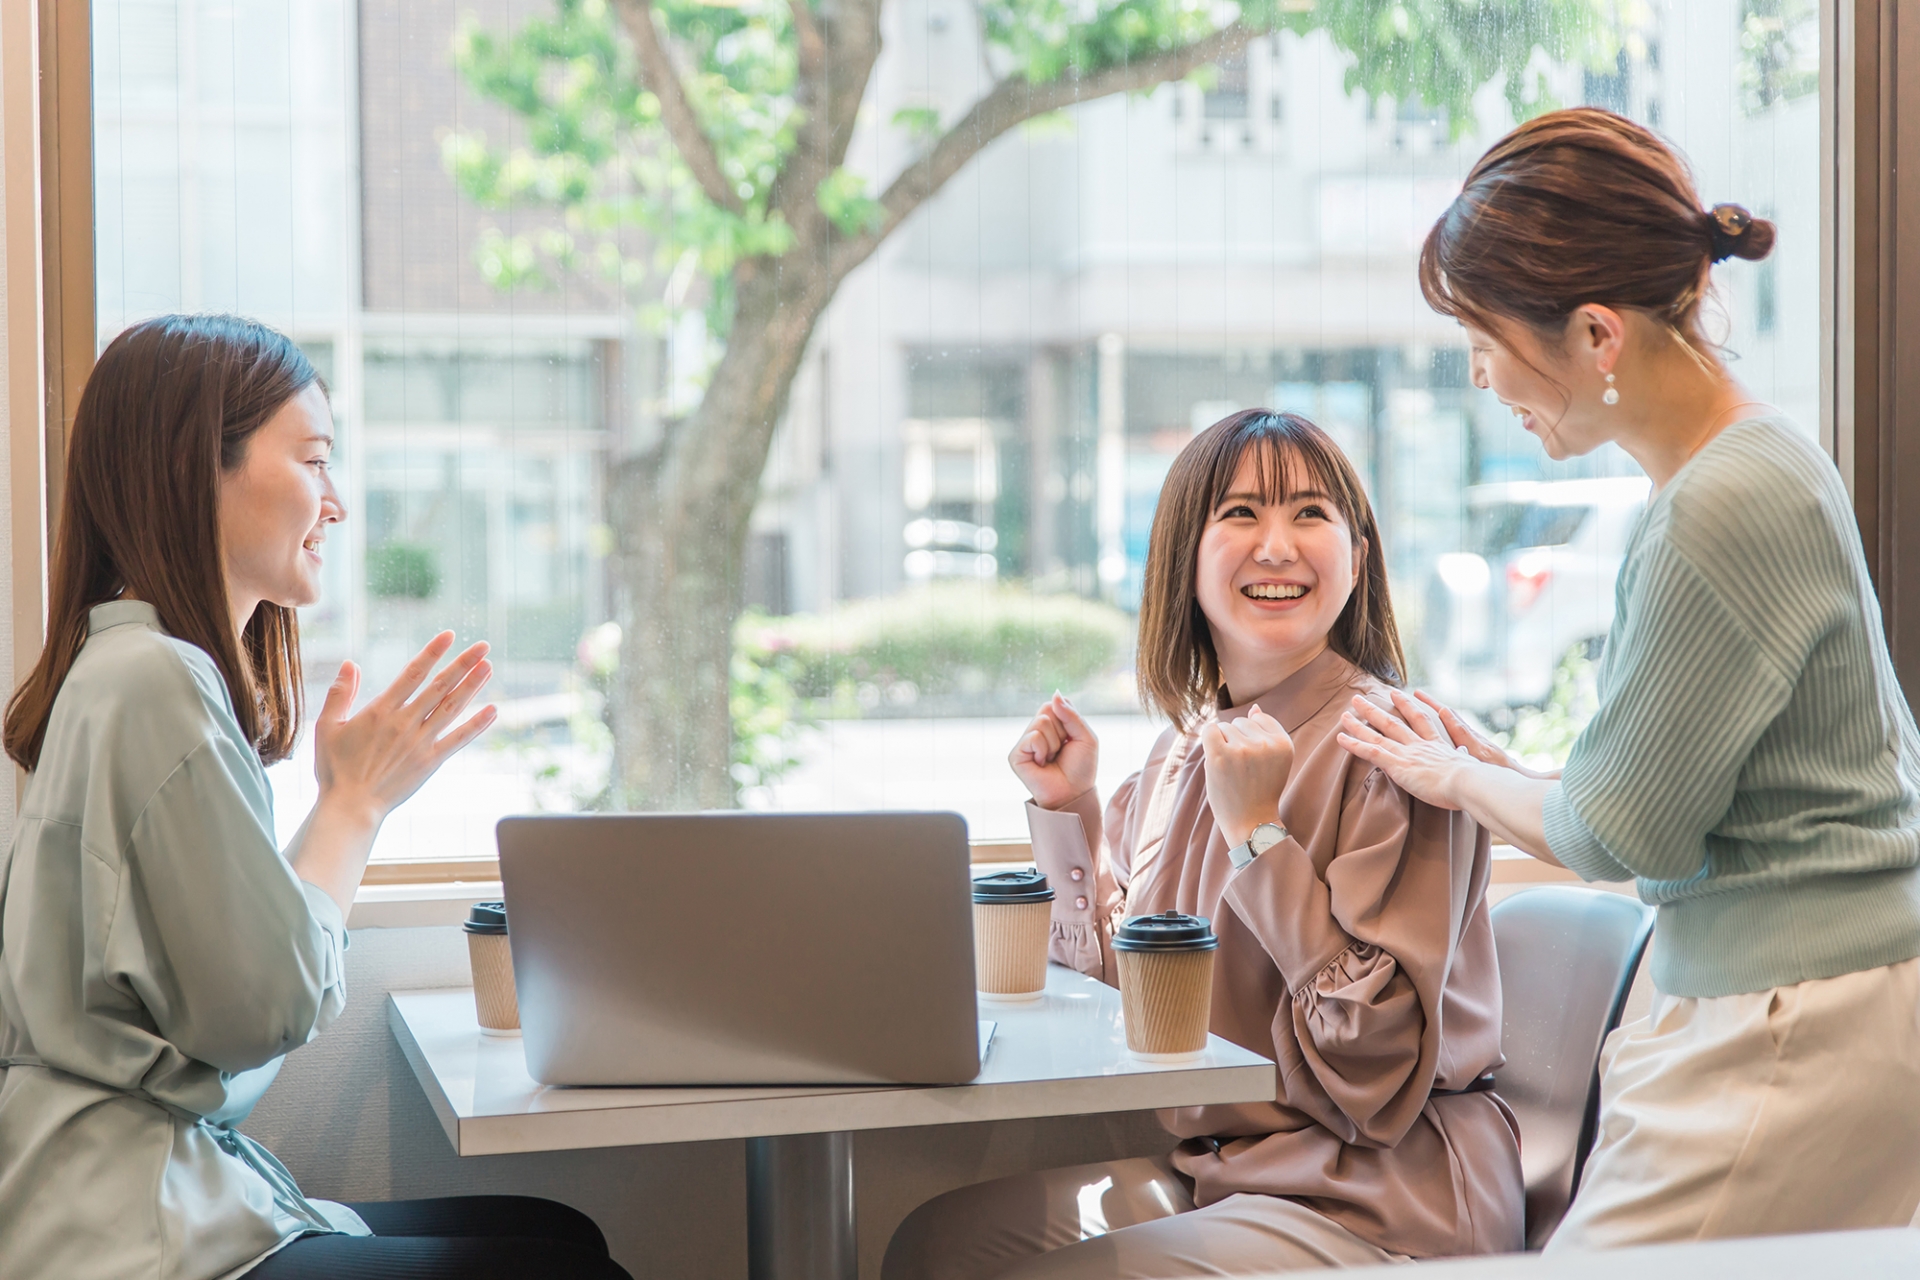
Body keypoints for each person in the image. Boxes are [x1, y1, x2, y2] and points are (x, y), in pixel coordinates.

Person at [1338, 107, 1920, 1248]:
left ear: (1597, 334)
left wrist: (1455, 778)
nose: (1478, 371)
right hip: (1816, 990)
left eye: (1485, 335)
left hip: (1799, 1014)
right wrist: (1507, 774)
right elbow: (1672, 792)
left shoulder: (1718, 504)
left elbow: (1619, 836)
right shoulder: (1755, 462)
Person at [0, 315, 632, 1280]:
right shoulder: (154, 681)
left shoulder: (125, 669)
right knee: (562, 1262)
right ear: (194, 469)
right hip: (127, 1234)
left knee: (562, 1235)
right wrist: (353, 808)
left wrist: (349, 802)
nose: (334, 504)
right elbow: (267, 1012)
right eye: (313, 460)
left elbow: (238, 1008)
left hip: (137, 1198)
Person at [883, 411, 1523, 1280]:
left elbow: (1376, 1071)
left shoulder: (1398, 749)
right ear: (1183, 557)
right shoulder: (1184, 752)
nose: (1277, 546)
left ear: (1358, 557)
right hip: (1225, 1175)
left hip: (1378, 1200)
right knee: (932, 1245)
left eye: (1310, 514)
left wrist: (1259, 835)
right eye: (1240, 514)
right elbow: (1129, 1005)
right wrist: (1072, 811)